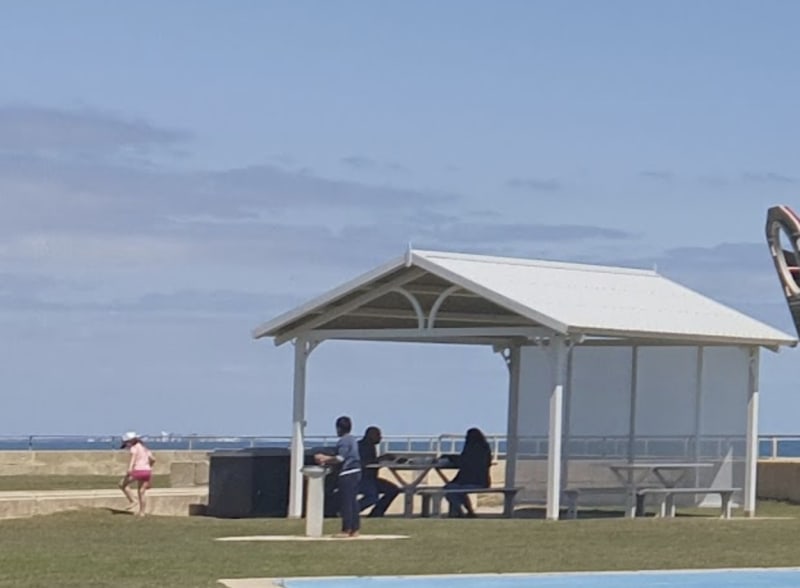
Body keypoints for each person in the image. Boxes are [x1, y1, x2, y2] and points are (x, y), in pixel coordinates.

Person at [314, 416, 361, 537]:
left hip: (347, 473)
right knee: (353, 501)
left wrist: (325, 459)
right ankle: (355, 529)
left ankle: (346, 529)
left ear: (339, 428)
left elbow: (340, 458)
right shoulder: (352, 439)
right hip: (356, 471)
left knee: (346, 502)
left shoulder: (343, 441)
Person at [444, 427, 492, 518]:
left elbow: (463, 461)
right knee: (454, 488)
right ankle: (468, 511)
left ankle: (460, 512)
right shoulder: (485, 449)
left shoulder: (472, 450)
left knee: (451, 489)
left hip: (475, 482)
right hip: (481, 481)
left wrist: (449, 458)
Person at [357, 426, 399, 517]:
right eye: (378, 435)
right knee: (372, 497)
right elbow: (363, 463)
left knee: (393, 490)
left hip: (372, 479)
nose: (380, 438)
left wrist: (380, 460)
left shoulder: (371, 446)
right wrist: (380, 459)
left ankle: (376, 513)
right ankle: (351, 511)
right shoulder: (362, 446)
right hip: (362, 479)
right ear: (370, 435)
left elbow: (372, 462)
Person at [118, 431, 155, 517]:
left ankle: (133, 500)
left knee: (122, 484)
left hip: (138, 470)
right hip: (147, 471)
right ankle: (142, 512)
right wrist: (149, 466)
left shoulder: (133, 448)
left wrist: (129, 469)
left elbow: (133, 459)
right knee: (142, 491)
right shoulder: (144, 448)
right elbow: (153, 459)